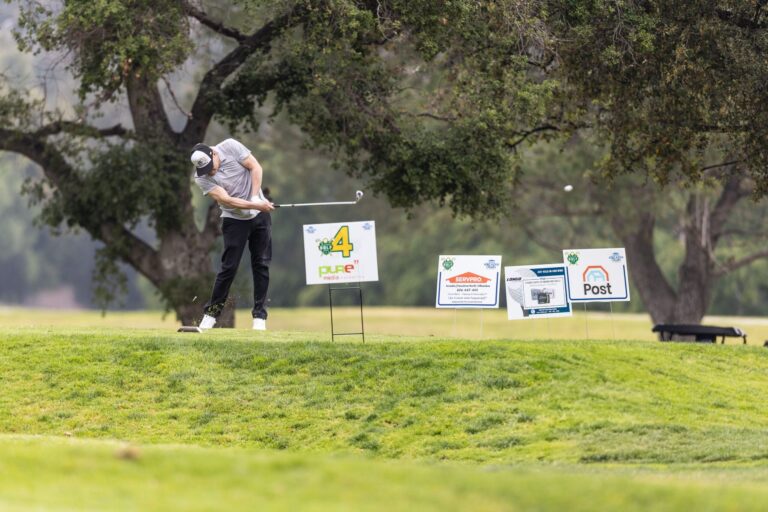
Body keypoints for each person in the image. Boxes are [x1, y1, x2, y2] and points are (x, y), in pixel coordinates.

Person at [190, 139, 275, 330]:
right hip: (234, 220)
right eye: (205, 170)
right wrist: (255, 205)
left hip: (260, 217)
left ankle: (259, 317)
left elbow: (255, 167)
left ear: (213, 153)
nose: (210, 172)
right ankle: (211, 316)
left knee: (261, 264)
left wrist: (255, 197)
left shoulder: (230, 146)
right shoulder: (201, 178)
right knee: (229, 267)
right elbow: (227, 200)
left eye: (211, 167)